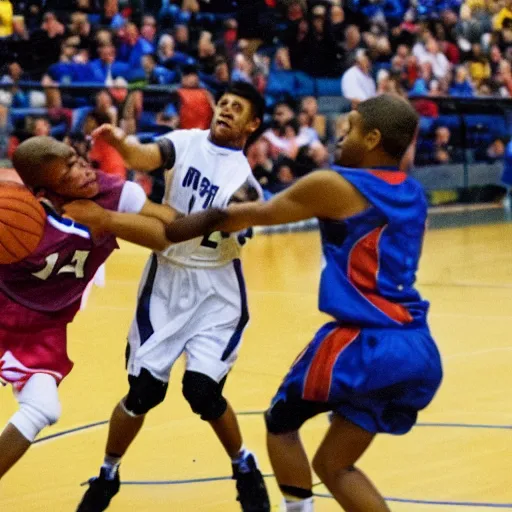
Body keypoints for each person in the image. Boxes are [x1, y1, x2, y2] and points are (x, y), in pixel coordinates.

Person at [65, 94, 443, 512]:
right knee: (334, 466)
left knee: (280, 425)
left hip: (364, 342)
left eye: (350, 127)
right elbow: (145, 154)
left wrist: (162, 225)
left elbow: (248, 214)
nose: (337, 134)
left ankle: (284, 499)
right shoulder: (414, 192)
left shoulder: (333, 184)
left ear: (372, 138)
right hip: (417, 345)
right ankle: (114, 472)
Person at [70, 81, 270, 512]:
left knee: (201, 392)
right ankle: (107, 473)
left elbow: (182, 228)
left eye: (238, 108)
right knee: (143, 391)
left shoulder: (248, 188)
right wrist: (124, 145)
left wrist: (122, 219)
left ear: (252, 125)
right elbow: (146, 156)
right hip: (166, 279)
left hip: (216, 289)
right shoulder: (186, 141)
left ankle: (244, 464)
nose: (227, 110)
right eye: (224, 103)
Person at [0, 135, 160, 481]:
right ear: (43, 192)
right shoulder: (17, 211)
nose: (83, 171)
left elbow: (164, 234)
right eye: (67, 171)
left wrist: (107, 220)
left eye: (77, 159)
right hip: (4, 307)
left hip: (44, 326)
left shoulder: (114, 195)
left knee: (43, 408)